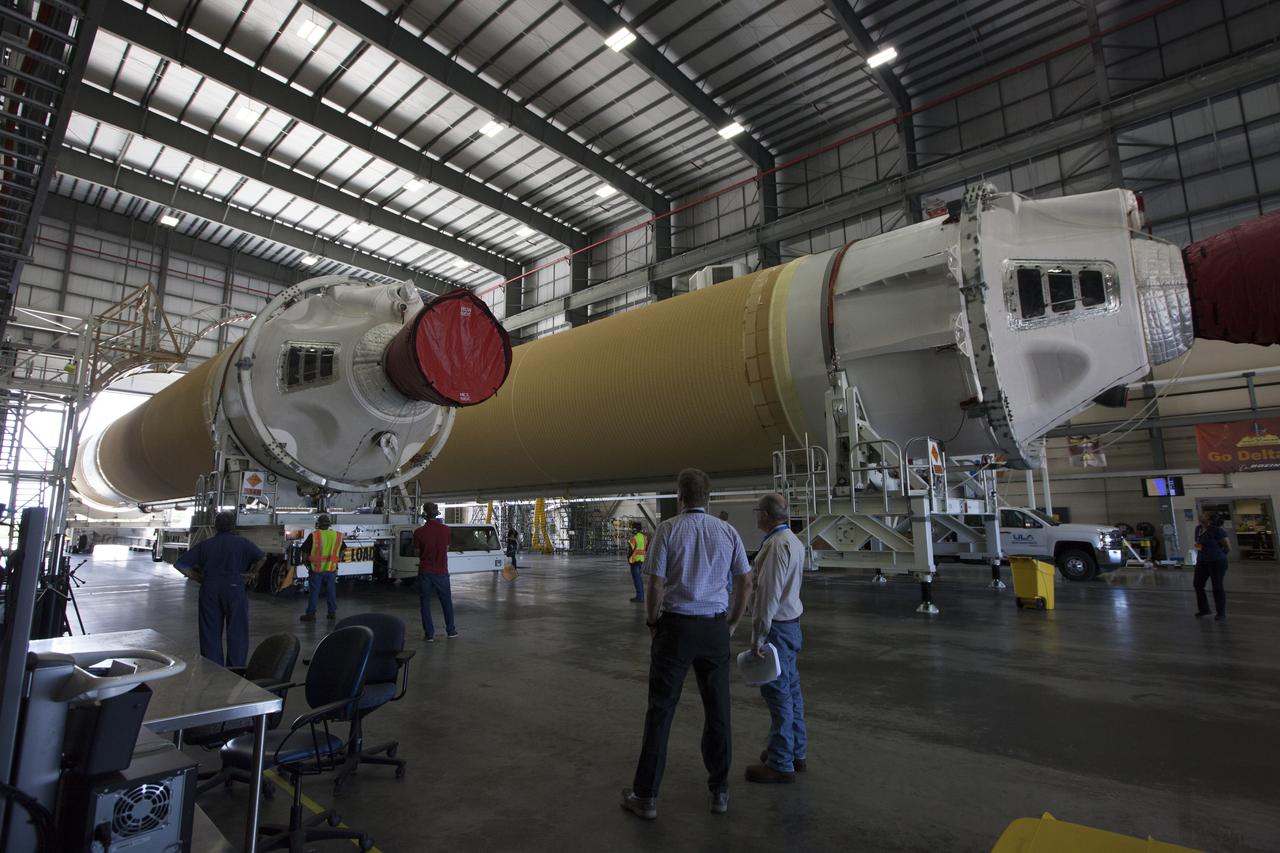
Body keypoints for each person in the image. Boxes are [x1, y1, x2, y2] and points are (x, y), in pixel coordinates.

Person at [620, 468, 752, 821]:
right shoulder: (727, 532)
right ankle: (719, 792)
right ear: (708, 498)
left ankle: (646, 796)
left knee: (660, 711)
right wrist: (732, 624)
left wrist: (652, 622)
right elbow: (745, 584)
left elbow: (655, 586)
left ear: (680, 497)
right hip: (714, 629)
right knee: (718, 711)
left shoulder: (667, 530)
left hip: (675, 629)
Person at [743, 493, 808, 783]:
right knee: (792, 691)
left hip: (777, 629)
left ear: (766, 515)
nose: (756, 514)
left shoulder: (776, 546)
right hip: (792, 624)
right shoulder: (793, 541)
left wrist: (758, 636)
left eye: (758, 510)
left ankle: (780, 763)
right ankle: (795, 751)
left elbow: (767, 595)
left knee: (778, 695)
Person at [175, 511, 264, 667]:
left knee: (210, 632)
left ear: (215, 526)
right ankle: (236, 668)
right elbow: (262, 557)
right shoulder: (242, 543)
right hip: (235, 588)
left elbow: (180, 565)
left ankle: (213, 669)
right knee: (237, 630)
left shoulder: (205, 545)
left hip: (210, 589)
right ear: (233, 525)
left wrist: (199, 578)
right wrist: (252, 573)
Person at [414, 502, 458, 641]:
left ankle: (429, 635)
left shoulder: (419, 532)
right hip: (441, 572)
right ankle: (451, 631)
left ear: (424, 514)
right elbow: (447, 548)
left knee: (425, 603)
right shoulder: (446, 530)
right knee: (446, 602)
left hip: (425, 572)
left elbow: (416, 552)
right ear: (437, 513)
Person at [299, 514, 344, 622]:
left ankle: (311, 614)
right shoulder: (337, 535)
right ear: (329, 525)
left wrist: (305, 561)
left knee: (314, 592)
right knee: (331, 591)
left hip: (316, 569)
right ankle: (332, 613)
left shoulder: (314, 535)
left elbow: (304, 552)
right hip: (331, 568)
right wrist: (338, 559)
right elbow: (343, 549)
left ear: (318, 525)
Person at [1194, 513, 1230, 621]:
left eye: (1204, 515)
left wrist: (1218, 555)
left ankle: (1221, 613)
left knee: (1217, 586)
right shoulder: (1198, 529)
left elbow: (1228, 547)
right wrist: (1200, 552)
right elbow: (1198, 542)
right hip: (1202, 561)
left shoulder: (1217, 530)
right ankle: (1204, 609)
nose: (1201, 516)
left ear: (1209, 519)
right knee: (1198, 584)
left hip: (1217, 561)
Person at [626, 521, 647, 603]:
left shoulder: (633, 539)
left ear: (635, 529)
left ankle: (640, 597)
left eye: (632, 528)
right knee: (639, 579)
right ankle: (641, 596)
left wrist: (629, 559)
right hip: (642, 561)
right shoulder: (644, 537)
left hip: (635, 561)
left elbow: (630, 551)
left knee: (637, 579)